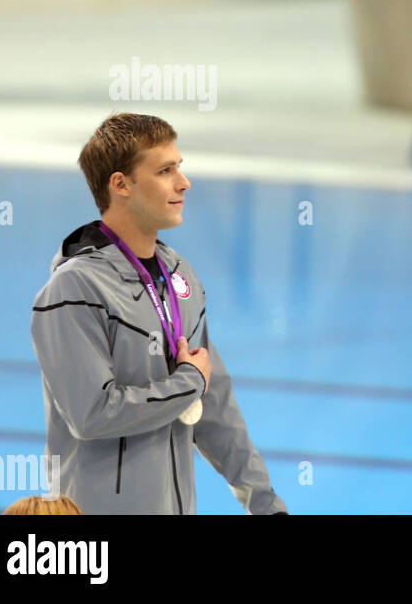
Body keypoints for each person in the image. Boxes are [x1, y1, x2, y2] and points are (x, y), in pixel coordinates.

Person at [30, 113, 286, 515]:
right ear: (121, 184)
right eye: (165, 171)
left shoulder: (179, 276)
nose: (183, 183)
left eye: (179, 168)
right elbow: (93, 414)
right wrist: (188, 382)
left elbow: (214, 407)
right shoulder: (74, 290)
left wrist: (267, 504)